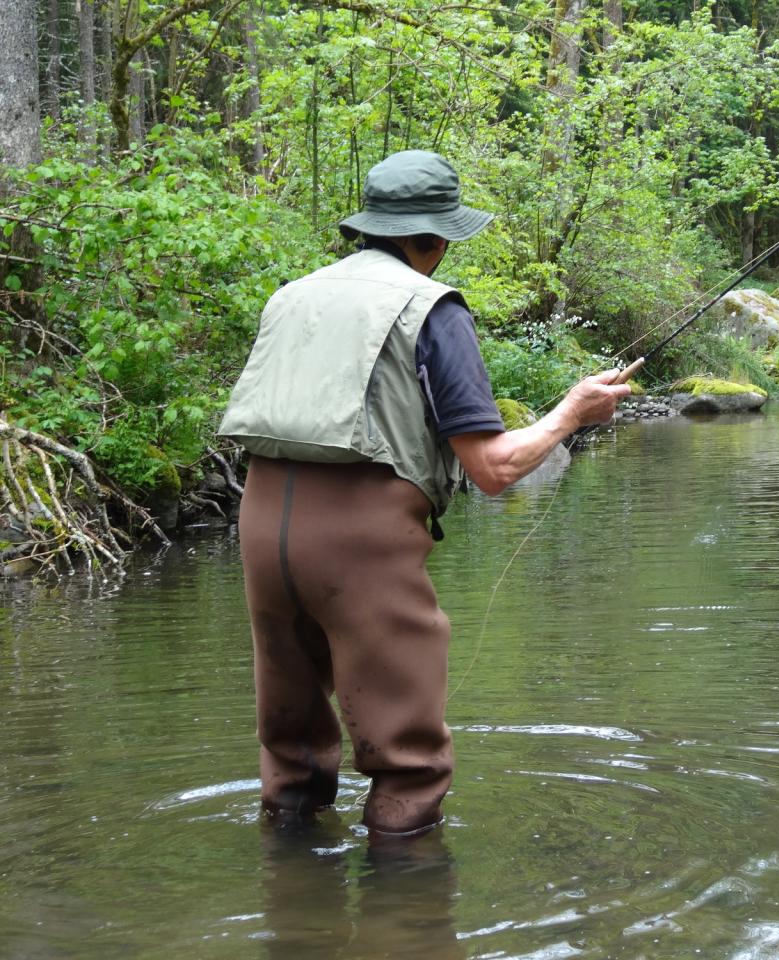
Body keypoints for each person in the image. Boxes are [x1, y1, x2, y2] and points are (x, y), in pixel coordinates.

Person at [218, 150, 630, 840]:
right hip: (362, 541)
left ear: (368, 228)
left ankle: (291, 903)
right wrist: (571, 413)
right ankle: (404, 917)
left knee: (289, 751)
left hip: (260, 527)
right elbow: (493, 470)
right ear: (435, 239)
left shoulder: (290, 297)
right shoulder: (433, 310)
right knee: (406, 762)